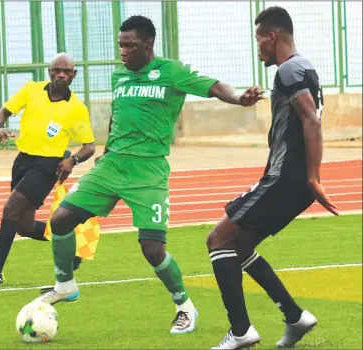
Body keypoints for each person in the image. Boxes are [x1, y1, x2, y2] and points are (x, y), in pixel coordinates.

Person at [38, 15, 263, 334]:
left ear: (147, 44)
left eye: (129, 45)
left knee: (152, 249)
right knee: (60, 220)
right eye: (121, 45)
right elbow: (118, 116)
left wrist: (240, 98)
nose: (123, 51)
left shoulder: (172, 72)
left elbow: (213, 86)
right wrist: (105, 152)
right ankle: (65, 285)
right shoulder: (119, 76)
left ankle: (185, 306)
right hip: (112, 164)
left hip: (148, 171)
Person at [206, 6, 339, 349]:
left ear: (272, 36)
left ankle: (240, 331)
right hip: (290, 179)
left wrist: (312, 177)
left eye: (259, 40)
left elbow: (311, 120)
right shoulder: (303, 66)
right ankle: (295, 318)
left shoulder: (289, 69)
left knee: (217, 240)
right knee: (240, 244)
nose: (258, 48)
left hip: (285, 179)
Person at [0, 53, 96, 287]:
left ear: (74, 75)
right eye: (56, 70)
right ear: (49, 72)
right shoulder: (31, 90)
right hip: (23, 161)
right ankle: (71, 252)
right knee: (24, 226)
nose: (61, 74)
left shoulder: (76, 108)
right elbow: (2, 112)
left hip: (48, 165)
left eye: (66, 71)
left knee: (10, 207)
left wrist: (73, 161)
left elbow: (89, 146)